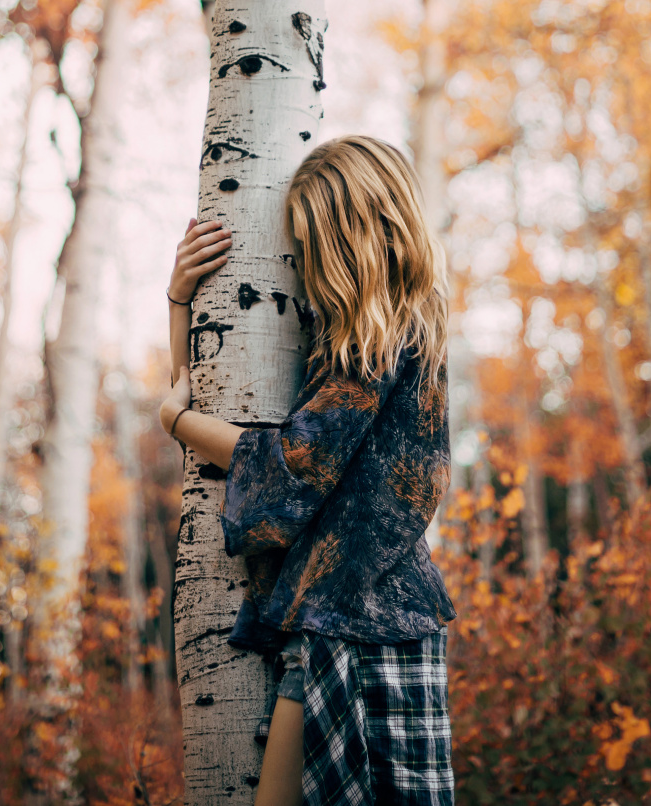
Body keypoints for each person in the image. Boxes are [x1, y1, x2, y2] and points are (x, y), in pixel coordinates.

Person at [160, 135, 456, 806]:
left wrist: (175, 425)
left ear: (349, 239)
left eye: (309, 247)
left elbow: (293, 464)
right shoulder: (379, 332)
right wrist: (181, 302)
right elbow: (195, 390)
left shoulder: (377, 341)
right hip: (348, 620)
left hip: (364, 628)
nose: (305, 267)